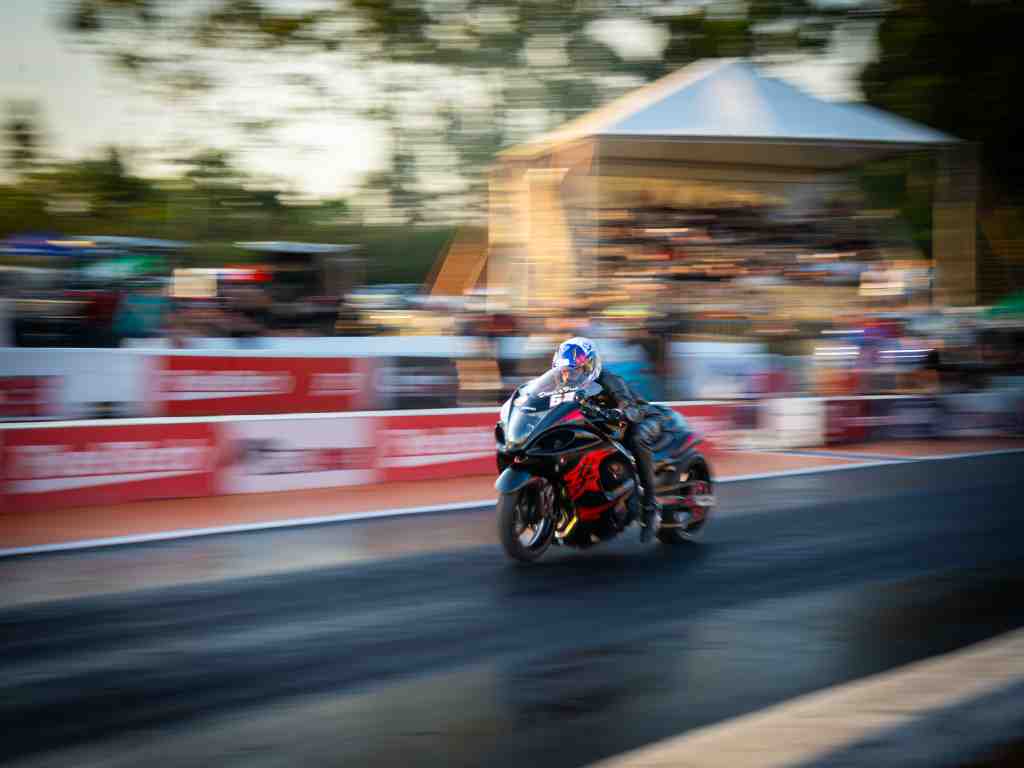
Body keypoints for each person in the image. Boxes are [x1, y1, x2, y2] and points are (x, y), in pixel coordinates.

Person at [552, 337, 663, 540]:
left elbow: (627, 406)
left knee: (636, 439)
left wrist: (620, 411)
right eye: (565, 371)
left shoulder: (609, 380)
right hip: (608, 424)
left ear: (589, 367)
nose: (569, 376)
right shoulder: (564, 387)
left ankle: (650, 504)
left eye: (574, 371)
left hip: (642, 417)